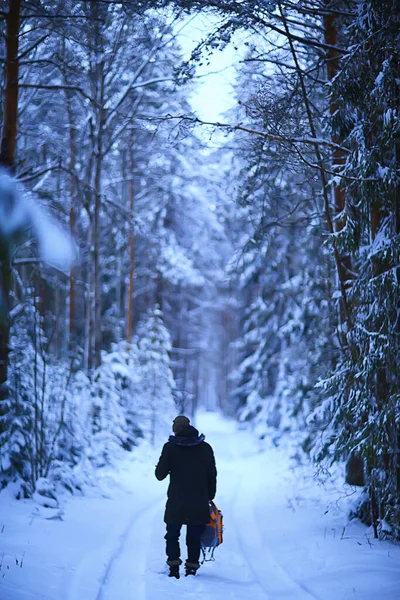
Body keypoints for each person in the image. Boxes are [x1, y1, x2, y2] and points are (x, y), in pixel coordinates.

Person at [155, 415, 217, 578]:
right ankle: (191, 568)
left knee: (172, 534)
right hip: (199, 500)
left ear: (175, 430)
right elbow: (212, 474)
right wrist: (209, 496)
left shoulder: (170, 447)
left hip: (177, 500)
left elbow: (159, 475)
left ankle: (174, 567)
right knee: (194, 536)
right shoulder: (205, 448)